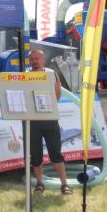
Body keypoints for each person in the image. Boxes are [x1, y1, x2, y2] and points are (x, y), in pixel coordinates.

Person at [28, 49, 72, 195]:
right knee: (35, 156)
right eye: (32, 59)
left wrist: (56, 88)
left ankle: (65, 185)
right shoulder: (25, 75)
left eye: (37, 58)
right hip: (32, 122)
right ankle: (39, 184)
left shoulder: (52, 74)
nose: (34, 61)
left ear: (43, 59)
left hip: (50, 120)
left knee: (56, 154)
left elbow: (57, 97)